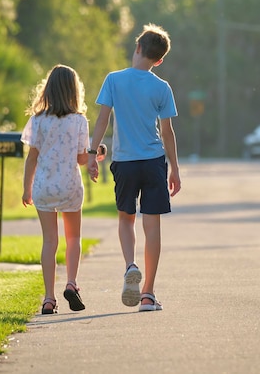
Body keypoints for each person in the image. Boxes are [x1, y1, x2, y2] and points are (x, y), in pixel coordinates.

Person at [87, 23, 181, 312]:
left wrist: (92, 153)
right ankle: (148, 294)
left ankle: (130, 266)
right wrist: (174, 169)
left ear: (138, 48)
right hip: (153, 162)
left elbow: (103, 120)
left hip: (124, 163)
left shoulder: (114, 80)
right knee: (152, 226)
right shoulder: (161, 87)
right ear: (159, 59)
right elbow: (167, 132)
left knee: (126, 220)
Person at [21, 64, 104, 315]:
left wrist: (27, 190)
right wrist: (95, 156)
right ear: (73, 90)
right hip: (69, 186)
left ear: (48, 89)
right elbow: (81, 159)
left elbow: (31, 158)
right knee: (73, 238)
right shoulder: (79, 121)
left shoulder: (38, 121)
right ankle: (71, 283)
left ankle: (48, 298)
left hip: (44, 187)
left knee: (49, 241)